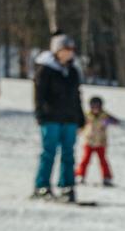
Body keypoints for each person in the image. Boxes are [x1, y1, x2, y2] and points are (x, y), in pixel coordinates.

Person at [32, 32, 85, 202]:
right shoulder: (45, 70)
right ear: (57, 50)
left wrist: (81, 118)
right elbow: (39, 95)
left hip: (69, 118)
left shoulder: (73, 71)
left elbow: (76, 95)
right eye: (66, 49)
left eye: (71, 49)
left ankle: (67, 186)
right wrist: (40, 114)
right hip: (51, 118)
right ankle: (42, 186)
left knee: (68, 154)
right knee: (49, 152)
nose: (69, 52)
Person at [77, 96, 120, 186]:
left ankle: (106, 177)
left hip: (101, 142)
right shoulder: (87, 116)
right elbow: (80, 126)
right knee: (85, 160)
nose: (95, 108)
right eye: (93, 106)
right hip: (89, 142)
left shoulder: (105, 116)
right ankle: (80, 175)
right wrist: (78, 131)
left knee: (103, 161)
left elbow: (116, 121)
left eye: (97, 106)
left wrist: (109, 121)